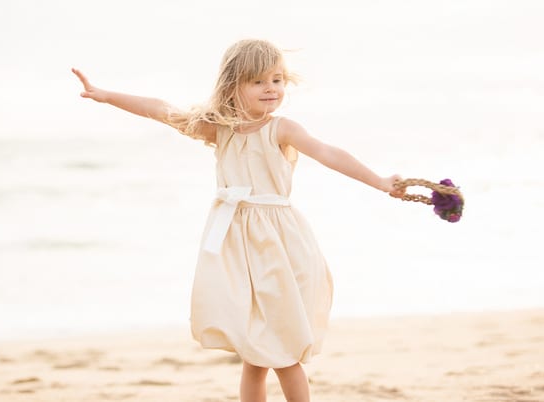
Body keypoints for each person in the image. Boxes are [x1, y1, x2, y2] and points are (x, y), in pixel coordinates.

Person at [72, 39, 403, 402]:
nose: (271, 89)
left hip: (281, 244)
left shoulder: (282, 129)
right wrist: (106, 95)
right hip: (236, 244)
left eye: (277, 80)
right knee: (253, 351)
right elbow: (161, 110)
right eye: (258, 81)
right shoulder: (219, 128)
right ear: (233, 85)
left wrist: (381, 182)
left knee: (285, 349)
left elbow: (328, 153)